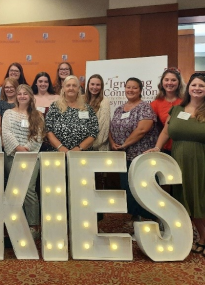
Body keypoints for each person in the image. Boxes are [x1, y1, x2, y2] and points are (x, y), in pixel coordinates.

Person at [146, 73, 205, 259]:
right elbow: (166, 131)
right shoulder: (178, 110)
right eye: (194, 85)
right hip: (180, 164)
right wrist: (157, 147)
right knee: (186, 202)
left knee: (204, 201)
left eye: (201, 85)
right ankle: (202, 237)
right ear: (188, 88)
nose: (197, 88)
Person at [109, 77, 161, 223]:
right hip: (123, 157)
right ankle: (137, 220)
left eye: (134, 88)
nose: (130, 90)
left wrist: (125, 144)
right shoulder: (120, 108)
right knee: (129, 189)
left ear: (140, 90)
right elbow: (111, 128)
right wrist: (113, 143)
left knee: (145, 189)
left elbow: (142, 130)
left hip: (140, 156)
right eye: (128, 87)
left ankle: (151, 221)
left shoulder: (145, 107)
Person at [1, 84, 45, 240]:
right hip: (12, 157)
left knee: (29, 190)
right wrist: (18, 148)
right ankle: (14, 226)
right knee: (14, 191)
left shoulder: (38, 115)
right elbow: (6, 132)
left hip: (31, 158)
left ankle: (33, 226)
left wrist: (25, 150)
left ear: (31, 96)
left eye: (25, 94)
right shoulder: (8, 113)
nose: (21, 96)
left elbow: (38, 137)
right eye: (19, 94)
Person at [45, 75, 99, 154]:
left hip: (81, 154)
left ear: (78, 88)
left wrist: (79, 148)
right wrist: (61, 147)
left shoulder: (87, 108)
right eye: (68, 85)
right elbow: (48, 130)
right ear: (63, 88)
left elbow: (94, 132)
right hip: (58, 154)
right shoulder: (55, 107)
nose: (71, 88)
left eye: (74, 85)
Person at [84, 74, 111, 220]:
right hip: (82, 149)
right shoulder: (81, 100)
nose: (94, 87)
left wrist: (90, 145)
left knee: (97, 182)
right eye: (92, 84)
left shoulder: (104, 102)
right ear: (88, 85)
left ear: (101, 87)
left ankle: (98, 215)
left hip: (97, 148)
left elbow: (104, 128)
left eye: (98, 85)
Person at [150, 67, 185, 155]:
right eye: (166, 80)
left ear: (179, 83)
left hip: (185, 146)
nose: (169, 83)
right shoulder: (155, 104)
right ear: (162, 82)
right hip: (166, 148)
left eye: (173, 80)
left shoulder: (186, 101)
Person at [0, 77, 19, 142]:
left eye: (11, 87)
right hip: (4, 140)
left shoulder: (22, 104)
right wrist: (1, 141)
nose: (9, 89)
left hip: (21, 138)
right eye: (6, 87)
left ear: (16, 88)